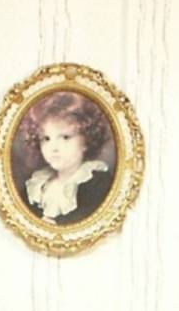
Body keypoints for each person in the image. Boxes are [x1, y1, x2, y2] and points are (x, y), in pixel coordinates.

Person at [18, 91, 115, 226]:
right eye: (46, 139)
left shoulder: (98, 184)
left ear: (86, 140)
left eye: (65, 137)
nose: (54, 148)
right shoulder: (36, 188)